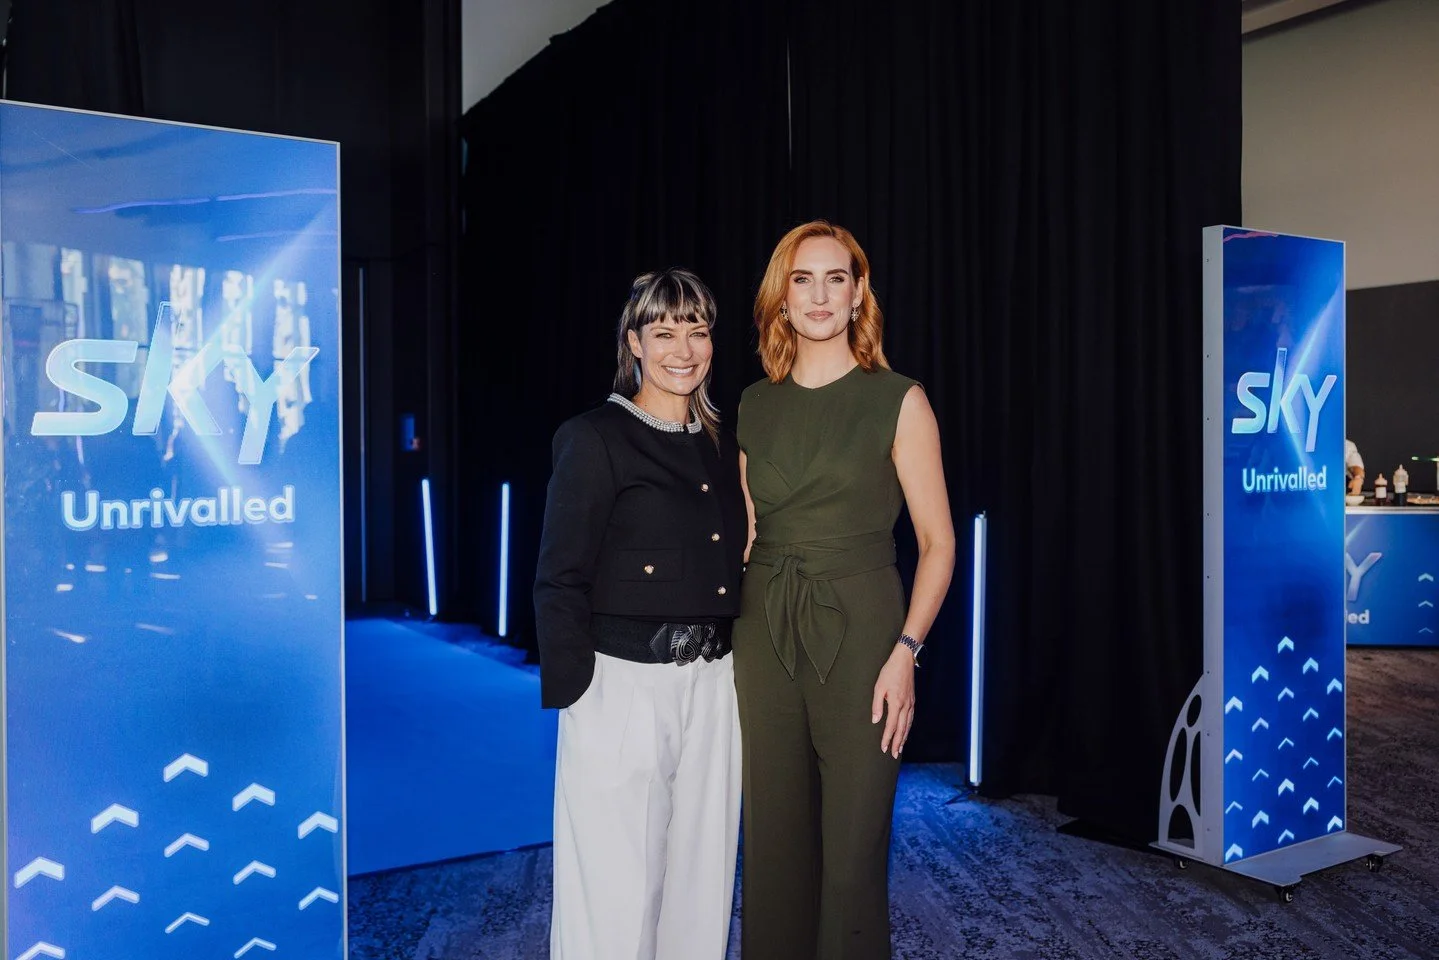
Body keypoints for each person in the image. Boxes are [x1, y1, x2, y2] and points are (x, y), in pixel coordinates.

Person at [733, 221, 956, 959]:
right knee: (771, 845)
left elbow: (937, 544)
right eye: (803, 279)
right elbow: (748, 537)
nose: (819, 294)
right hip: (762, 632)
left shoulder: (898, 399)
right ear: (782, 297)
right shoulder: (753, 406)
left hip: (865, 637)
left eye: (835, 278)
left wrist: (905, 652)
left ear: (858, 294)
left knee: (852, 858)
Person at [534, 268, 747, 960]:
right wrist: (579, 694)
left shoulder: (719, 440)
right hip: (620, 683)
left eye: (697, 329)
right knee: (615, 887)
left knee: (701, 878)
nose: (682, 348)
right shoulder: (593, 437)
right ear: (634, 342)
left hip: (714, 685)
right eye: (664, 331)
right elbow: (558, 576)